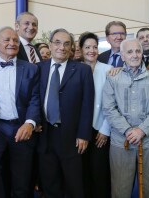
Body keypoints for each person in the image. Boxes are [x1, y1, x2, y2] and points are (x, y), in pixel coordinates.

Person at [0, 26, 40, 198]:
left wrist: (30, 123)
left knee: (22, 182)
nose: (12, 43)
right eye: (7, 40)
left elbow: (35, 99)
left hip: (21, 126)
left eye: (15, 40)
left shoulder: (31, 69)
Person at [37, 28, 94, 198]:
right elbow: (33, 99)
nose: (62, 47)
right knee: (49, 182)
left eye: (67, 44)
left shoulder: (82, 70)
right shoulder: (38, 68)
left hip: (71, 136)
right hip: (44, 133)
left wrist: (84, 134)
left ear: (71, 48)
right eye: (58, 43)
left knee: (74, 183)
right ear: (50, 45)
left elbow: (87, 103)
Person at [103, 38, 149, 198]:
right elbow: (109, 108)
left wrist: (142, 130)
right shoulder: (113, 78)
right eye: (130, 52)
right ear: (122, 55)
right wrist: (128, 130)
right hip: (121, 142)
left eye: (138, 51)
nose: (134, 55)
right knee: (120, 190)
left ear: (142, 53)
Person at [79, 32, 112, 198]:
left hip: (100, 130)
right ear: (80, 49)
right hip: (79, 132)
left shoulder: (109, 70)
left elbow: (113, 104)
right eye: (87, 47)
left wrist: (105, 130)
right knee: (82, 174)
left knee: (100, 174)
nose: (92, 50)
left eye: (94, 47)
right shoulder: (75, 69)